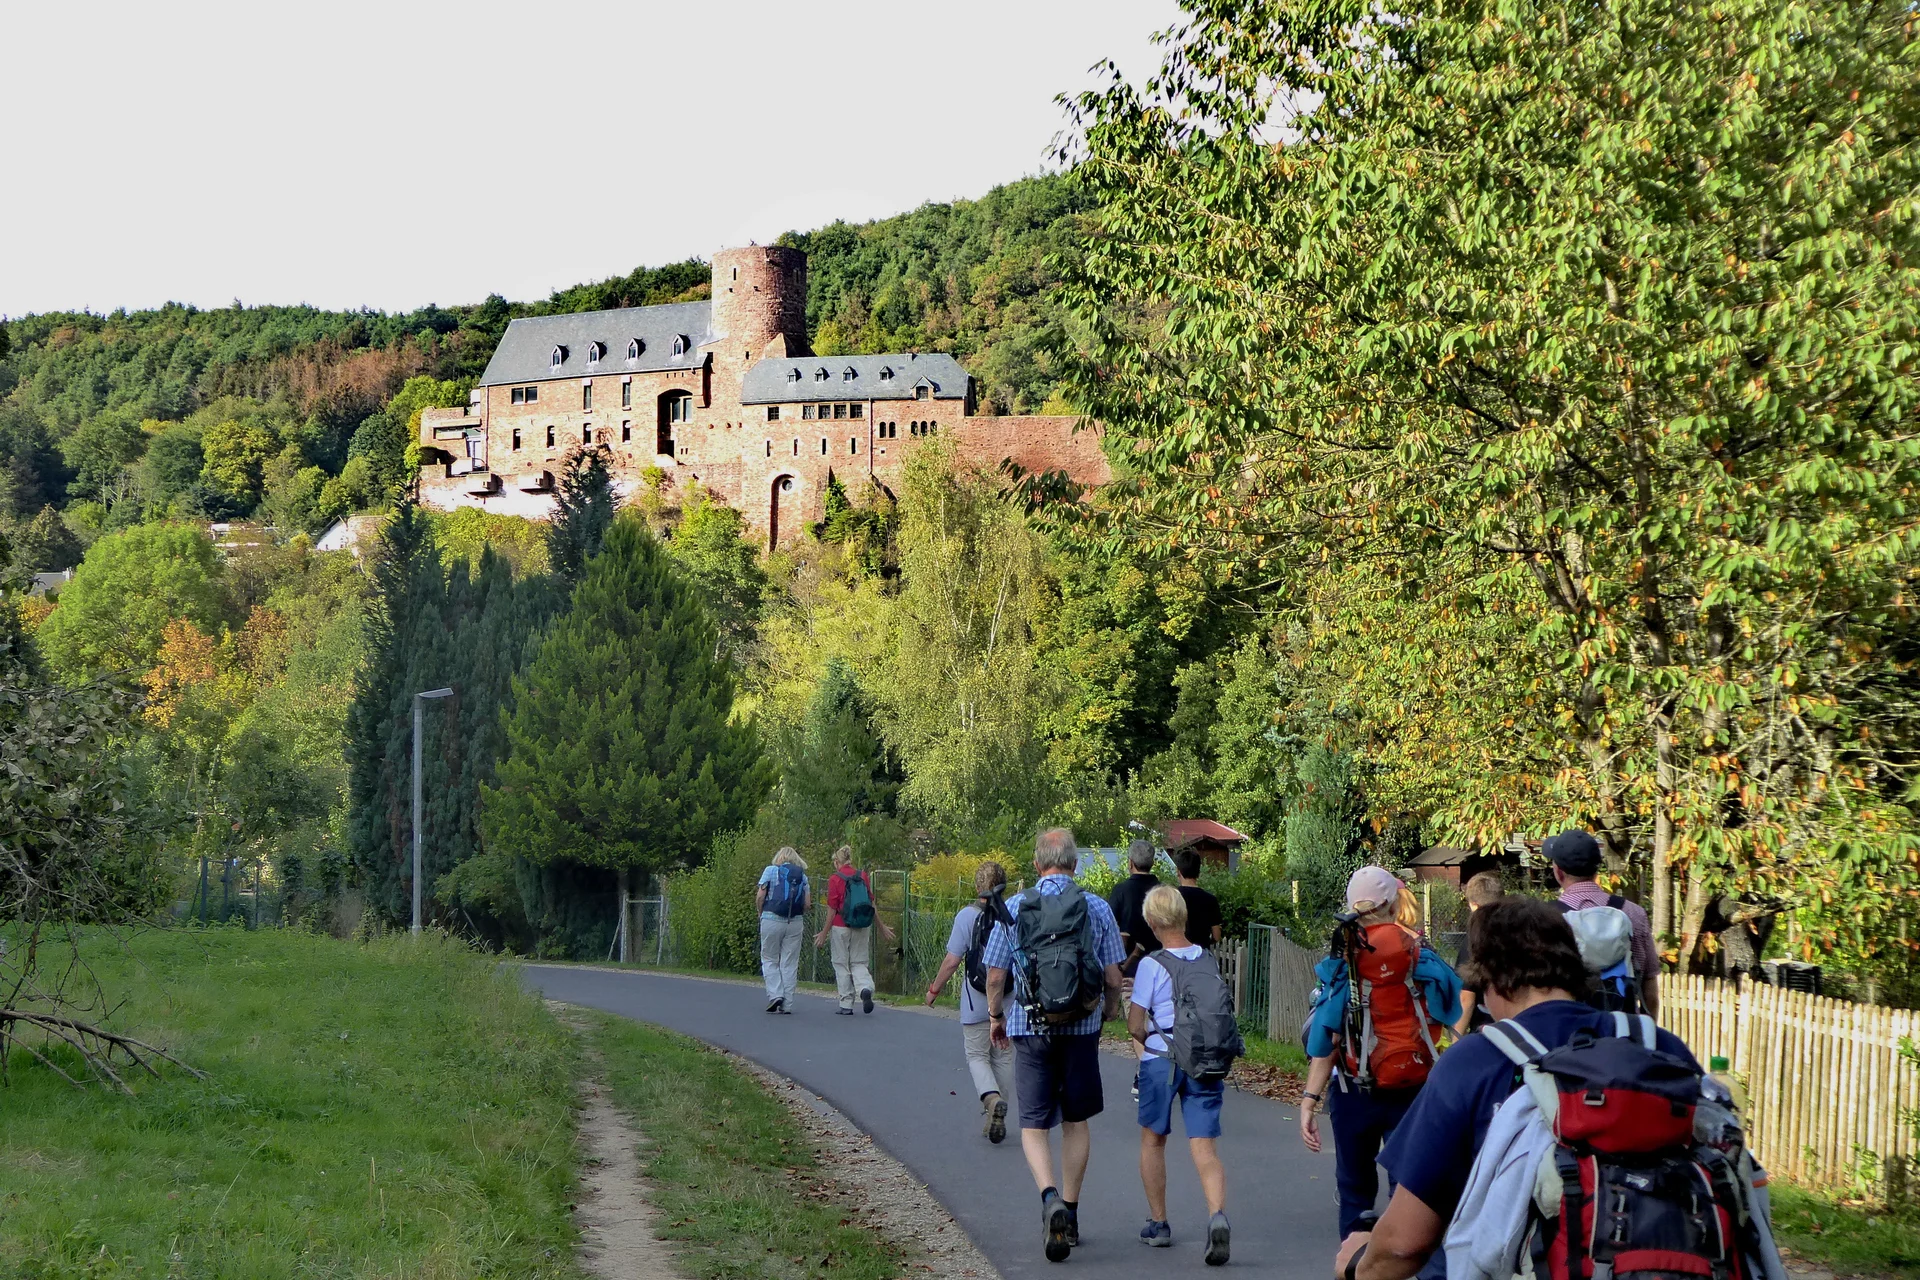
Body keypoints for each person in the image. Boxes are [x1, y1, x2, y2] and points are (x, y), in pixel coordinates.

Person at [1333, 898, 1699, 1280]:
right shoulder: (1658, 1046)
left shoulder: (1475, 1061)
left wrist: (1358, 1265)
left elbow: (1403, 1244)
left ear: (1491, 979)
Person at [985, 826, 1125, 1263]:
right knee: (1076, 1122)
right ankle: (1074, 1211)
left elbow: (994, 976)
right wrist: (1111, 1010)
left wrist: (995, 1017)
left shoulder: (1015, 906)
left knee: (1032, 1124)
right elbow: (1113, 978)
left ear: (1036, 863)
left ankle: (1049, 1200)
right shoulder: (1096, 907)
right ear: (1074, 863)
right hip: (1081, 1030)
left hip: (1032, 1029)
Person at [1299, 867, 1461, 1241]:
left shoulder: (1345, 964)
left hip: (1355, 1090)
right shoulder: (1420, 954)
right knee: (1411, 1191)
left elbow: (1328, 1038)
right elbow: (1451, 1008)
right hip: (1415, 1088)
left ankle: (1357, 1264)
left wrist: (1309, 1099)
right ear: (1391, 903)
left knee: (1355, 1190)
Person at [1129, 885, 1232, 1264]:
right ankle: (1217, 1216)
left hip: (1162, 1060)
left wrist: (1146, 1039)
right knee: (1204, 1146)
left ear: (1153, 922)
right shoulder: (1206, 959)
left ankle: (1159, 1225)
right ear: (1184, 917)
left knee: (1153, 1141)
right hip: (1204, 1060)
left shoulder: (1151, 965)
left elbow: (1135, 1024)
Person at [925, 860, 1016, 1143]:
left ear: (977, 887)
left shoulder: (966, 916)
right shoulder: (1014, 914)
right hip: (1007, 999)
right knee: (1003, 1055)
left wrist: (934, 989)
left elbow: (953, 960)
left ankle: (990, 1101)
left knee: (977, 1055)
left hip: (976, 1000)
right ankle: (996, 1109)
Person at [1544, 828, 1660, 1016]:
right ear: (1597, 868)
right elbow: (1649, 987)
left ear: (1558, 872)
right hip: (1621, 1029)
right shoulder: (1633, 913)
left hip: (1566, 1030)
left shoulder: (1544, 918)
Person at [815, 845, 896, 1015]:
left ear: (837, 862)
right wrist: (881, 927)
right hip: (861, 925)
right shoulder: (863, 876)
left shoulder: (835, 879)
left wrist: (824, 932)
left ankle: (846, 1004)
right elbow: (872, 904)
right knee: (859, 962)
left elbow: (832, 909)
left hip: (840, 925)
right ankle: (865, 988)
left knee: (841, 963)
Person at [755, 846, 810, 1013]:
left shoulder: (770, 870)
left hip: (771, 918)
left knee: (769, 958)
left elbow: (760, 895)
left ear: (779, 857)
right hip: (795, 922)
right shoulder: (803, 876)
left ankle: (775, 995)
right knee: (789, 963)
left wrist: (760, 912)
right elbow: (807, 904)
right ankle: (787, 1005)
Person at [1451, 872, 1504, 1035]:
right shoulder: (1522, 932)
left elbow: (1467, 998)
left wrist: (1455, 1039)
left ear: (1474, 905)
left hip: (1486, 1029)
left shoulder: (1474, 940)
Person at [1108, 838, 1163, 964]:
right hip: (1160, 960)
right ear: (1152, 863)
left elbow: (1110, 927)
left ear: (1130, 863)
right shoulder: (1163, 891)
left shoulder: (1120, 890)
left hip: (1128, 963)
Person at [1170, 845, 1223, 949]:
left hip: (1176, 953)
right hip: (1201, 954)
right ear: (1198, 871)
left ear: (1178, 871)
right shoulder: (1210, 900)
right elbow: (1216, 936)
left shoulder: (1171, 897)